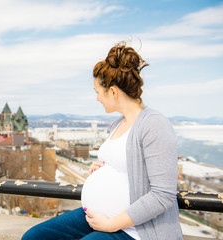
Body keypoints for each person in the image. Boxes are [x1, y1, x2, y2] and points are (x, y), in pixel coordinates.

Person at [21, 41, 183, 240]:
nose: (97, 98)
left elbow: (163, 195)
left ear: (113, 92)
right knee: (35, 237)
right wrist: (102, 170)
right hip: (98, 218)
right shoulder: (117, 124)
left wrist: (112, 224)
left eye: (98, 92)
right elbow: (125, 168)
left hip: (135, 231)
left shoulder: (154, 125)